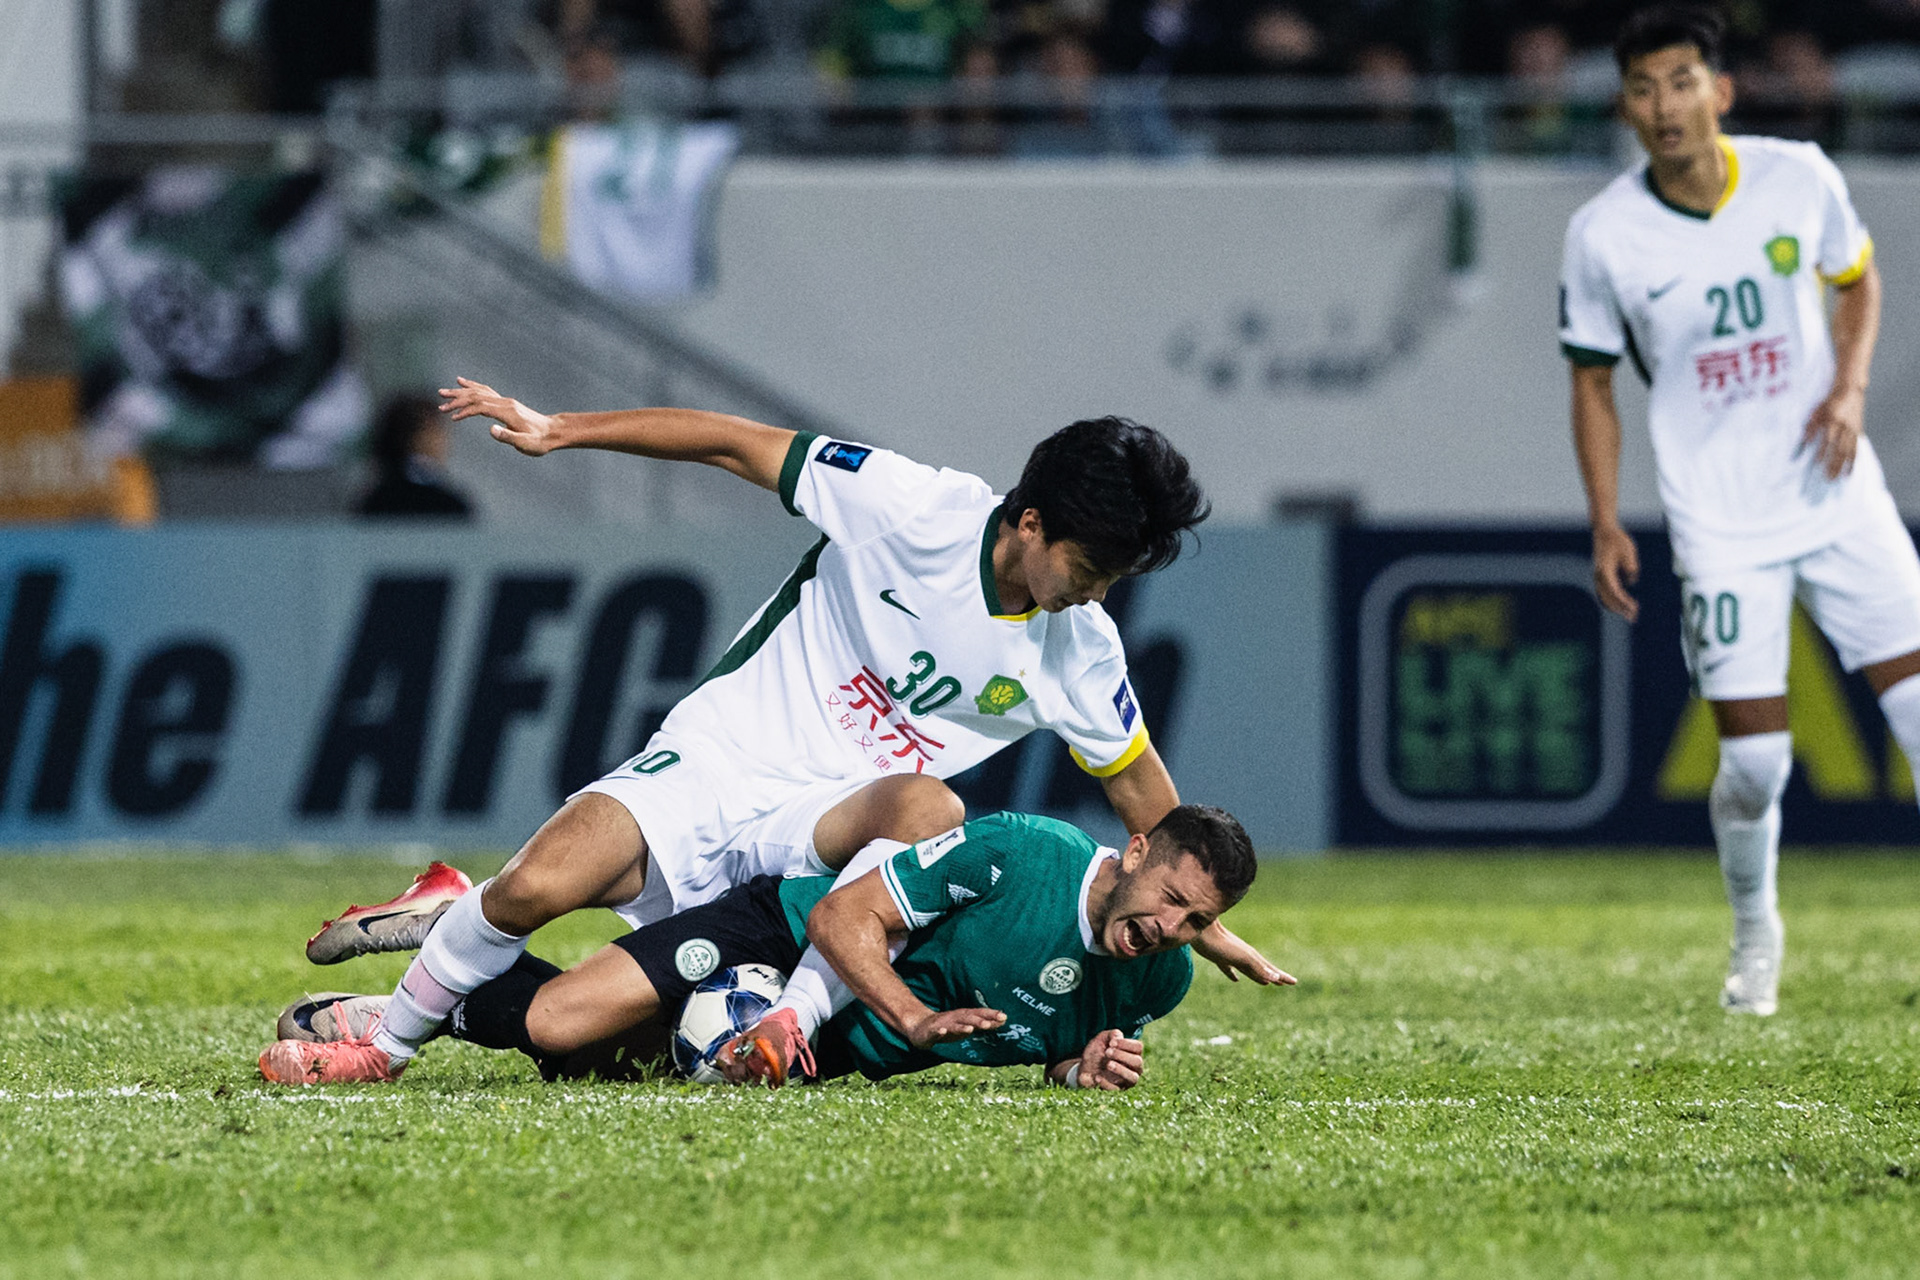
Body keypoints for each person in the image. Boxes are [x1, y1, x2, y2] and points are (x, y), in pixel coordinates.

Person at [258, 381, 1287, 1085]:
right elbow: (731, 441)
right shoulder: (910, 506)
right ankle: (402, 1016)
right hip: (723, 758)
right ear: (1029, 522)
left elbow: (1149, 805)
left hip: (824, 838)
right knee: (532, 890)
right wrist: (561, 427)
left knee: (926, 804)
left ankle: (781, 1017)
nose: (1096, 594)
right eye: (1091, 567)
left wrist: (1207, 920)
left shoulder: (1081, 648)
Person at [1558, 5, 1920, 1017]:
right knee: (1756, 763)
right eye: (1642, 87)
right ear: (1624, 104)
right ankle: (1756, 925)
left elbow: (1858, 280)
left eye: (1682, 81)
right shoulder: (1602, 236)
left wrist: (1847, 390)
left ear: (1721, 89)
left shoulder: (1800, 176)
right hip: (1719, 522)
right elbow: (1591, 384)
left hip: (1835, 493)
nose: (1664, 106)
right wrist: (1605, 518)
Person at [263, 805, 1256, 1091]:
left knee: (585, 1058)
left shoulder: (1158, 976)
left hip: (822, 1045)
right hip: (782, 929)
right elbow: (841, 918)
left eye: (1195, 921)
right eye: (1169, 897)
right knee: (558, 1021)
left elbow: (1047, 1019)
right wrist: (908, 1013)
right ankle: (457, 921)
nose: (1170, 928)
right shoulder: (1018, 851)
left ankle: (448, 953)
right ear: (1133, 853)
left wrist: (1076, 1066)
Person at [354, 394, 474, 519]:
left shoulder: (373, 500)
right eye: (436, 430)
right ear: (416, 436)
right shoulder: (449, 506)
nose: (444, 440)